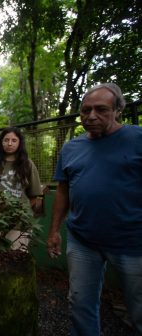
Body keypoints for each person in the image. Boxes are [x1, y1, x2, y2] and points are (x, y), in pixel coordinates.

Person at [47, 83, 142, 335]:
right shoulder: (71, 148)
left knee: (139, 309)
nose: (91, 116)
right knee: (79, 303)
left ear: (118, 110)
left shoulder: (137, 139)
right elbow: (63, 192)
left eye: (101, 110)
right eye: (85, 110)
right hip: (82, 241)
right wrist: (54, 230)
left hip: (132, 242)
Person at [0, 126, 43, 249]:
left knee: (16, 260)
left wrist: (18, 215)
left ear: (20, 143)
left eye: (14, 140)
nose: (9, 143)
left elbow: (34, 196)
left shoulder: (27, 165)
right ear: (1, 142)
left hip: (19, 225)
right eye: (6, 140)